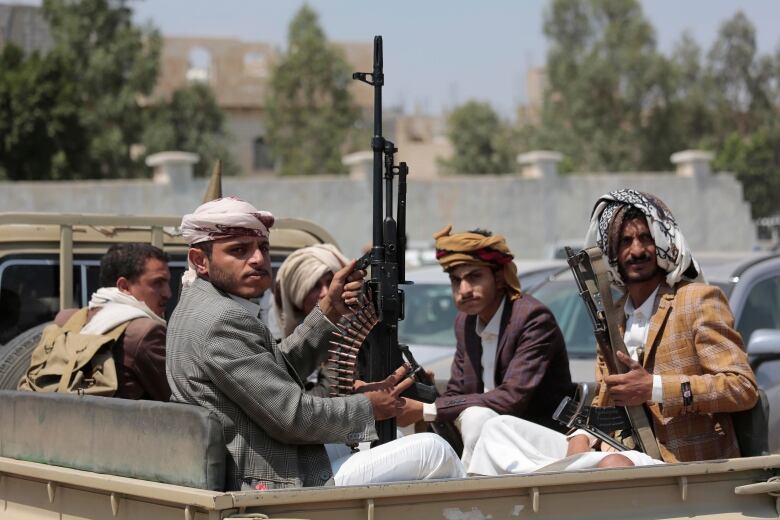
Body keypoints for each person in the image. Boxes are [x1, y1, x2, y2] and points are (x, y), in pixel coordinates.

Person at [166, 197, 464, 491]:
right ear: (199, 261)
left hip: (264, 458)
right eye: (239, 251)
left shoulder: (197, 306)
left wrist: (330, 309)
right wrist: (369, 407)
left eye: (263, 248)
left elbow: (273, 372)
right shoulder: (223, 318)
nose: (258, 259)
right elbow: (292, 416)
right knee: (433, 451)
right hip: (265, 479)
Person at [468, 189, 759, 475]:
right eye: (625, 241)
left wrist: (654, 388)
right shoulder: (613, 317)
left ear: (661, 242)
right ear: (611, 252)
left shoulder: (697, 300)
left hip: (675, 464)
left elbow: (742, 389)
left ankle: (559, 478)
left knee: (609, 467)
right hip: (614, 449)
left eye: (645, 238)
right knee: (496, 429)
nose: (636, 250)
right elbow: (602, 401)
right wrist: (580, 437)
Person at [397, 225, 574, 468]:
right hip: (487, 440)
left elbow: (510, 399)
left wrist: (429, 409)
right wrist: (425, 395)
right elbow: (459, 391)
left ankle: (467, 488)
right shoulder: (465, 322)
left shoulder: (532, 318)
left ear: (499, 277)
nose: (464, 290)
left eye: (474, 277)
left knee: (477, 417)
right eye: (456, 280)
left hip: (539, 442)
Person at [52, 243, 172, 401]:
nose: (168, 293)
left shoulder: (67, 319)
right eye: (157, 283)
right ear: (124, 286)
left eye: (167, 283)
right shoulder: (145, 332)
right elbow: (175, 397)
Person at [273, 244, 348, 396]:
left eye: (331, 283)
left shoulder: (365, 343)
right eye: (315, 286)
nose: (326, 293)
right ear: (297, 296)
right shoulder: (279, 351)